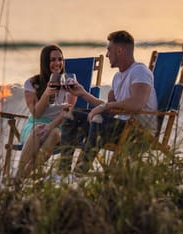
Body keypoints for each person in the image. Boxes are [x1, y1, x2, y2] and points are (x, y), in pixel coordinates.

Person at [58, 30, 158, 174]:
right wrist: (83, 93)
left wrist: (104, 107)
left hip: (138, 133)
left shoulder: (140, 71)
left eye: (109, 50)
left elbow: (137, 104)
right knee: (71, 116)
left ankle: (80, 172)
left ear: (119, 51)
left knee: (98, 119)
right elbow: (110, 110)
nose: (106, 55)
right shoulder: (117, 77)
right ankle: (63, 172)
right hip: (120, 128)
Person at [17, 44, 75, 180]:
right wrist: (46, 94)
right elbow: (36, 114)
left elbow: (67, 111)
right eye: (53, 60)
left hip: (59, 125)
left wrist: (51, 126)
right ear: (45, 62)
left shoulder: (70, 83)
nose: (57, 63)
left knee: (54, 133)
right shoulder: (32, 83)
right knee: (38, 129)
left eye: (60, 59)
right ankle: (21, 175)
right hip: (35, 125)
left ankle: (20, 177)